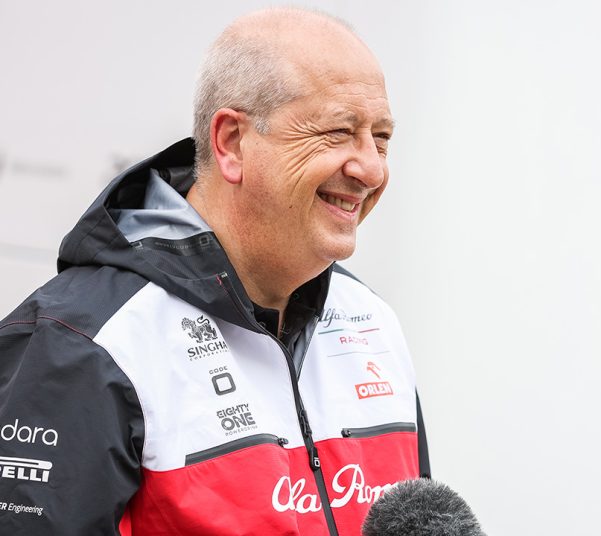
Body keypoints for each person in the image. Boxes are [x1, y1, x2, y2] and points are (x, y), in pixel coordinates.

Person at [0, 8, 429, 535]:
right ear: (231, 142)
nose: (372, 169)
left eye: (380, 139)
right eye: (339, 132)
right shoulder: (80, 344)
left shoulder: (373, 323)